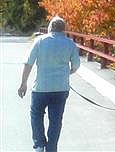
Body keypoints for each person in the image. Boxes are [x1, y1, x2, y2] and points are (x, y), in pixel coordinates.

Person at [18, 16, 80, 152]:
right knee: (56, 120)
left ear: (49, 28)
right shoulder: (70, 44)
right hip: (61, 89)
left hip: (40, 87)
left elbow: (28, 63)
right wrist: (67, 73)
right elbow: (76, 66)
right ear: (64, 29)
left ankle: (39, 145)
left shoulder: (39, 41)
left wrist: (23, 83)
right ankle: (52, 148)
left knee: (36, 114)